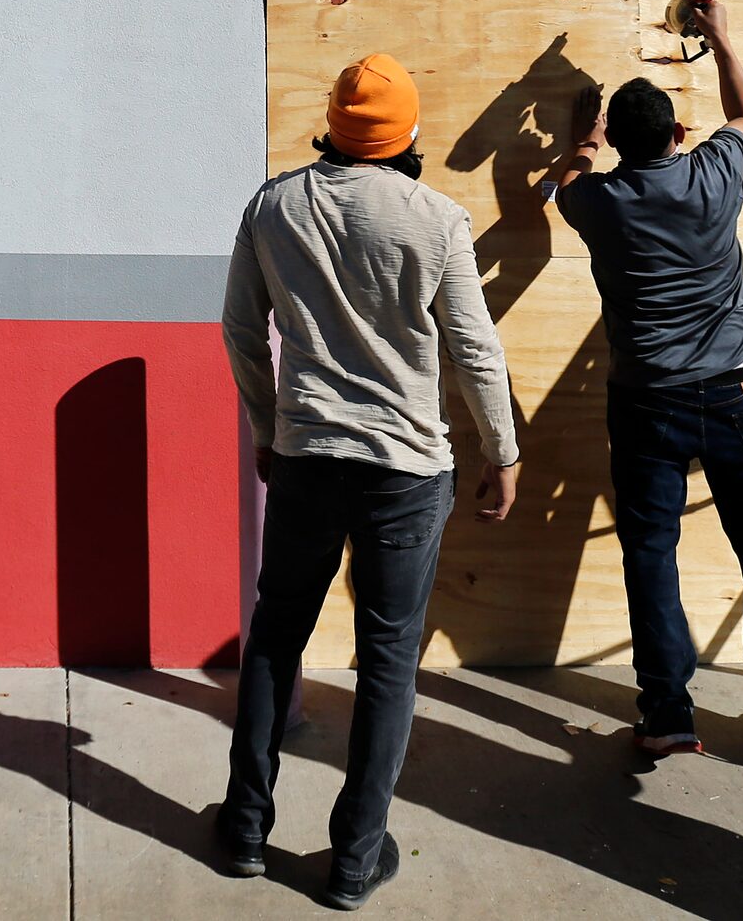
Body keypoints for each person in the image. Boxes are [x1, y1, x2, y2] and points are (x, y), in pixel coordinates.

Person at [220, 53, 521, 911]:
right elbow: (473, 348)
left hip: (308, 455)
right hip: (405, 471)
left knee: (278, 635)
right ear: (411, 134)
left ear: (334, 124)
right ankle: (354, 860)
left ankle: (246, 829)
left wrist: (264, 427)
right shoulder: (437, 219)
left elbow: (242, 327)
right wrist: (502, 450)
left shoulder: (274, 206)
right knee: (389, 658)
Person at [549, 0, 743, 754]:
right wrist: (721, 38)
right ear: (678, 133)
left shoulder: (599, 202)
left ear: (619, 144)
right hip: (737, 395)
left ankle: (667, 711)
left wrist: (581, 141)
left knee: (649, 554)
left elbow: (562, 185)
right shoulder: (715, 174)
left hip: (647, 406)